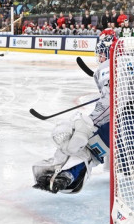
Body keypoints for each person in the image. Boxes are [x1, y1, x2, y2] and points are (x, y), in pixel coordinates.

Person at [31, 30, 115, 193]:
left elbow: (110, 100)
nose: (100, 58)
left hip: (132, 123)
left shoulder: (108, 66)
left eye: (101, 54)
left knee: (88, 142)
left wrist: (90, 124)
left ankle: (66, 175)